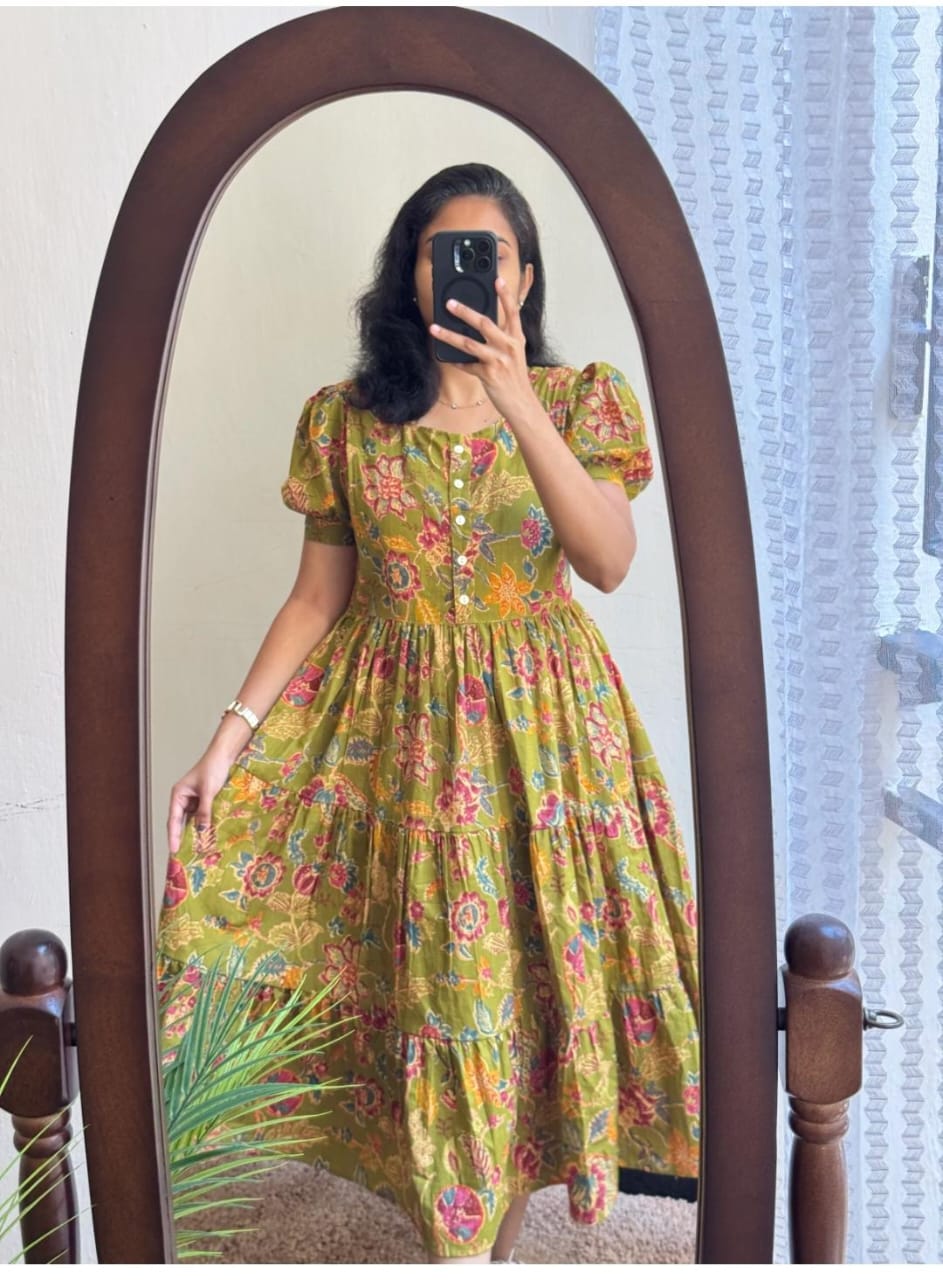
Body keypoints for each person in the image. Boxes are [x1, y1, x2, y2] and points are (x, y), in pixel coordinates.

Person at [155, 162, 700, 1264]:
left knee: (517, 987)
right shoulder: (345, 422)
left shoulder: (580, 402)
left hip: (540, 747)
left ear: (524, 279)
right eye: (442, 251)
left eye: (490, 255)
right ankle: (448, 1232)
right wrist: (227, 737)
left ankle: (491, 1241)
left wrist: (515, 395)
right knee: (426, 988)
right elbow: (317, 597)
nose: (466, 273)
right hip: (387, 740)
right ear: (409, 274)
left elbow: (606, 560)